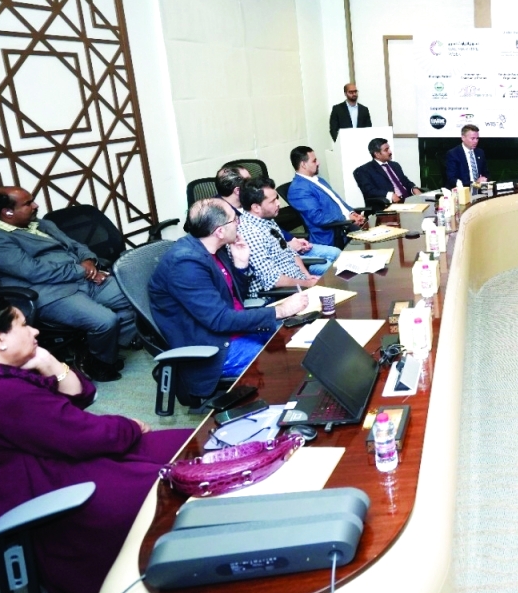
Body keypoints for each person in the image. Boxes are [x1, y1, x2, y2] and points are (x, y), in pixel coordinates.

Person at [0, 294, 192, 593]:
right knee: (179, 484)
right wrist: (130, 425)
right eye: (23, 325)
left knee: (188, 442)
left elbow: (80, 398)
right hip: (48, 492)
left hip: (46, 461)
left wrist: (49, 363)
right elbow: (87, 434)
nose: (35, 332)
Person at [149, 199, 306, 406]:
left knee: (300, 342)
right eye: (234, 219)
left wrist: (240, 266)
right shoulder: (185, 264)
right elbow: (219, 320)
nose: (239, 222)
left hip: (236, 327)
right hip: (215, 345)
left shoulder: (215, 248)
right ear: (220, 231)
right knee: (286, 365)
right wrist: (280, 310)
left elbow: (233, 298)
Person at [0, 187, 135, 382]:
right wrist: (82, 270)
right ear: (7, 212)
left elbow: (76, 246)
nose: (35, 206)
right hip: (51, 293)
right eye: (28, 203)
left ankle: (96, 348)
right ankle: (99, 363)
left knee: (134, 298)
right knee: (105, 321)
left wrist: (89, 261)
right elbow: (34, 271)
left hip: (84, 279)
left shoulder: (43, 224)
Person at [238, 182, 321, 293]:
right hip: (281, 294)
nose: (278, 203)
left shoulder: (266, 220)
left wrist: (307, 276)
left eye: (276, 198)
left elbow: (290, 252)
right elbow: (273, 280)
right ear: (256, 207)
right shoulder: (250, 234)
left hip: (298, 282)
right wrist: (308, 284)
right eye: (273, 201)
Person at [286, 145, 366, 248]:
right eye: (314, 161)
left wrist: (352, 213)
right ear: (303, 165)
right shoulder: (298, 189)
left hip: (346, 226)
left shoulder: (319, 180)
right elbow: (318, 217)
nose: (318, 163)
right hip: (332, 236)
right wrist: (346, 218)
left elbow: (338, 202)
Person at [355, 138, 423, 204]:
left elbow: (405, 180)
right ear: (377, 154)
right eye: (386, 150)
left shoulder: (395, 165)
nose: (390, 152)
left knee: (427, 205)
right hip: (391, 204)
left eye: (389, 148)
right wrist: (389, 195)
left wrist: (413, 188)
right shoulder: (364, 170)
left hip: (409, 199)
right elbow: (369, 191)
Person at [445, 124, 488, 188]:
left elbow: (486, 173)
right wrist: (474, 183)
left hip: (480, 188)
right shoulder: (453, 154)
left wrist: (484, 179)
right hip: (462, 189)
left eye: (477, 138)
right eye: (472, 138)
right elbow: (452, 179)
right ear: (463, 138)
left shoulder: (480, 152)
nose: (476, 141)